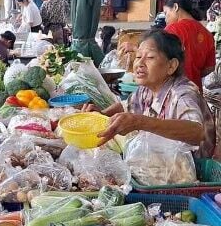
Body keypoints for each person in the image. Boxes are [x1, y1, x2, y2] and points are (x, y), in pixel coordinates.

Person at [86, 30, 214, 158]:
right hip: (160, 159)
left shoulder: (183, 93)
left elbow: (197, 132)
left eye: (150, 57)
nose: (139, 64)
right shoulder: (146, 89)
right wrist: (102, 115)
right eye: (138, 57)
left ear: (171, 66)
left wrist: (140, 122)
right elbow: (125, 106)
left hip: (190, 168)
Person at [163, 0, 215, 91]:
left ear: (175, 7)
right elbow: (210, 68)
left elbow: (158, 59)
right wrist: (193, 72)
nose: (165, 19)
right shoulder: (207, 34)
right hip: (195, 92)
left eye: (166, 13)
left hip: (174, 92)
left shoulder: (171, 29)